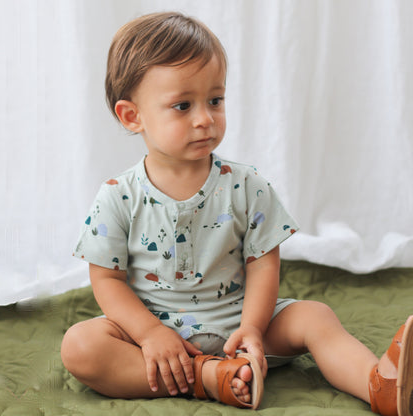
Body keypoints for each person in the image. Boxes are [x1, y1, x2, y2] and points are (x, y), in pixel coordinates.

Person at [61, 11, 413, 414]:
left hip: (243, 325)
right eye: (182, 106)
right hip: (157, 334)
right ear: (132, 116)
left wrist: (253, 327)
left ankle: (378, 386)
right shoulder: (116, 197)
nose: (204, 119)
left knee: (315, 316)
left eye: (215, 100)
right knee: (80, 346)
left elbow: (263, 264)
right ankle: (210, 378)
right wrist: (150, 333)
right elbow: (107, 279)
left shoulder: (246, 186)